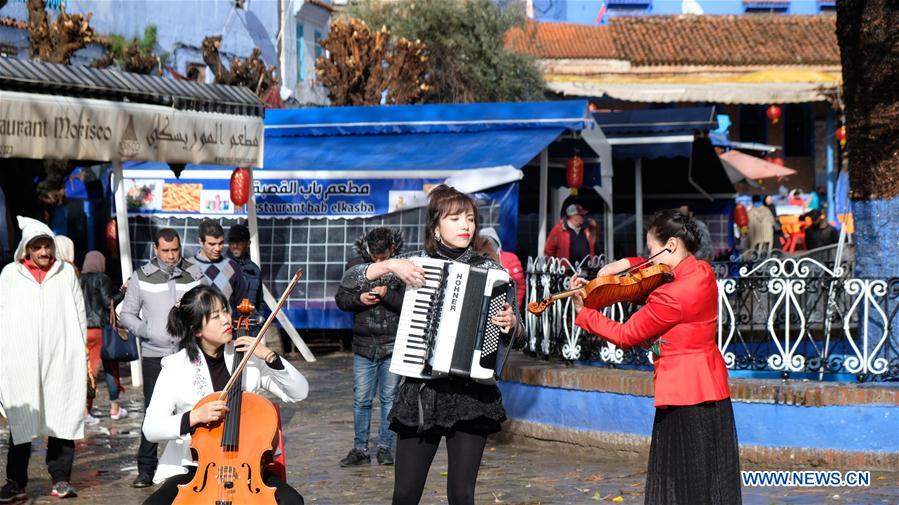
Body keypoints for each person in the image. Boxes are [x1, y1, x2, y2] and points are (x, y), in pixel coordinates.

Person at [341, 185, 523, 505]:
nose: (465, 225)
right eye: (455, 218)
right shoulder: (413, 264)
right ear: (435, 226)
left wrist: (512, 324)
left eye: (470, 218)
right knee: (405, 495)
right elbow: (349, 281)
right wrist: (390, 265)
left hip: (471, 396)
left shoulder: (491, 270)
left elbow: (518, 334)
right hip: (421, 393)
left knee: (462, 495)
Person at [570, 209, 740, 505]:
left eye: (650, 250)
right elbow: (652, 273)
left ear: (671, 244)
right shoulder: (702, 271)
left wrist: (584, 313)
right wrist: (624, 265)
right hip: (711, 388)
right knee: (709, 478)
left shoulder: (671, 296)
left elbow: (626, 334)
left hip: (683, 395)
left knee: (684, 483)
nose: (648, 258)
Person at [140, 285, 308, 505]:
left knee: (292, 501)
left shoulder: (249, 359)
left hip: (248, 469)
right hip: (195, 469)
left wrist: (270, 357)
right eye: (215, 316)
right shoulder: (175, 367)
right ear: (197, 330)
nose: (226, 320)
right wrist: (194, 417)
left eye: (225, 311)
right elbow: (151, 428)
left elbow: (299, 392)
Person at [0, 217, 87, 500]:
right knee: (21, 419)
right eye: (37, 247)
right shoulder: (10, 275)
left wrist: (79, 351)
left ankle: (61, 478)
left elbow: (79, 313)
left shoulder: (65, 273)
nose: (44, 252)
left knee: (62, 415)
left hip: (60, 355)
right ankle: (16, 481)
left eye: (47, 246)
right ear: (27, 249)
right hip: (21, 356)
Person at [119, 228, 207, 488]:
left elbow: (205, 308)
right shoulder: (141, 277)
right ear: (155, 250)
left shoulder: (193, 274)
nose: (171, 256)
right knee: (153, 410)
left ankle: (194, 463)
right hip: (154, 354)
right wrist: (147, 330)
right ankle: (146, 469)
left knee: (192, 406)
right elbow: (126, 314)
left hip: (187, 352)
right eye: (165, 251)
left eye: (175, 250)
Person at [334, 228, 405, 467]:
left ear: (392, 249)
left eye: (383, 258)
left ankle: (385, 447)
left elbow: (410, 304)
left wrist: (387, 294)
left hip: (393, 343)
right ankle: (360, 449)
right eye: (374, 258)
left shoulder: (403, 268)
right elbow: (341, 299)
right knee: (361, 400)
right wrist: (359, 299)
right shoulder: (356, 266)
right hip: (363, 344)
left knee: (389, 399)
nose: (378, 263)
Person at [80, 251, 128, 421]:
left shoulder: (78, 279)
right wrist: (124, 291)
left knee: (88, 369)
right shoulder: (102, 278)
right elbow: (109, 303)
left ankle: (86, 409)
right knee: (109, 367)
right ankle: (112, 408)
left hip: (83, 329)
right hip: (101, 330)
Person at [193, 219, 248, 316]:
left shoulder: (232, 267)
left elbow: (243, 304)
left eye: (221, 243)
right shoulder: (188, 267)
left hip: (228, 324)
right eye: (212, 244)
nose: (218, 248)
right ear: (201, 242)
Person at [480, 227, 526, 308]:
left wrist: (514, 308)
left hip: (506, 307)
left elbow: (519, 286)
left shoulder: (510, 259)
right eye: (483, 245)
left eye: (490, 244)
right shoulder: (474, 261)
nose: (488, 248)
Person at [226, 224, 263, 309]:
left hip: (250, 317)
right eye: (232, 242)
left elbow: (259, 302)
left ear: (248, 243)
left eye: (239, 242)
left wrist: (259, 316)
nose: (235, 246)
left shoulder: (255, 270)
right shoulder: (221, 266)